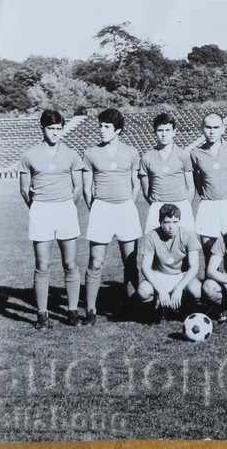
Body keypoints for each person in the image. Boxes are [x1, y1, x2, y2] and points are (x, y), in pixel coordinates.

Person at [19, 110, 83, 329]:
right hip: (41, 211)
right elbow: (24, 190)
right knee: (42, 264)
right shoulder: (29, 155)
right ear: (42, 129)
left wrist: (65, 205)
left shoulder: (72, 154)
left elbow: (78, 187)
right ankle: (42, 314)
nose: (55, 133)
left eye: (58, 129)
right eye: (51, 129)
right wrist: (39, 207)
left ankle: (72, 311)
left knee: (70, 263)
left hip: (65, 209)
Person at [82, 109, 142, 325]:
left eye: (107, 127)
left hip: (125, 208)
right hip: (101, 209)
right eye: (100, 126)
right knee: (95, 262)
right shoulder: (90, 153)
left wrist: (127, 204)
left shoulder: (132, 152)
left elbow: (136, 185)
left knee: (130, 261)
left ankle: (132, 305)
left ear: (118, 130)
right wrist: (97, 208)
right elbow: (87, 188)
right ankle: (90, 310)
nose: (102, 130)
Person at [190, 112, 227, 257]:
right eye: (208, 127)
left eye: (216, 127)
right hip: (209, 205)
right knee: (209, 252)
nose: (212, 131)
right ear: (202, 128)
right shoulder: (196, 153)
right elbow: (197, 182)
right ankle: (211, 279)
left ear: (223, 128)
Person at [138, 203, 201, 321]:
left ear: (179, 221)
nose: (171, 227)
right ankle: (155, 311)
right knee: (143, 291)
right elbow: (145, 267)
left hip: (180, 275)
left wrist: (179, 288)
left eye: (175, 222)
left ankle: (183, 308)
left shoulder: (188, 235)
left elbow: (194, 266)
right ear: (160, 222)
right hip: (160, 275)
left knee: (197, 290)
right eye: (167, 222)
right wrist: (160, 289)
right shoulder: (151, 236)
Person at [139, 112, 195, 234]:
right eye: (160, 130)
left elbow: (191, 187)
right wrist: (156, 203)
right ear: (155, 132)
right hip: (157, 205)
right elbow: (145, 190)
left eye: (168, 130)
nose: (164, 134)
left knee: (184, 244)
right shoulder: (146, 157)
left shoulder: (183, 155)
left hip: (181, 204)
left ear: (174, 132)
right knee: (154, 244)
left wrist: (184, 205)